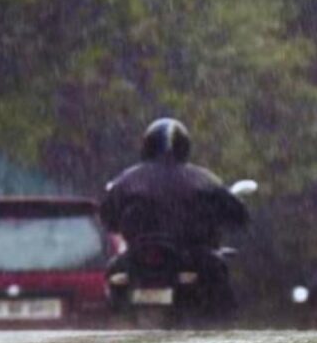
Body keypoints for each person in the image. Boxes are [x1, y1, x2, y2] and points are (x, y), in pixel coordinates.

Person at [101, 117, 248, 319]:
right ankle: (221, 331)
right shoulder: (203, 179)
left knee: (113, 273)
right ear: (184, 147)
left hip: (139, 256)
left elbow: (107, 217)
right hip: (191, 254)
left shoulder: (126, 180)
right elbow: (237, 215)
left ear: (147, 146)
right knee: (220, 280)